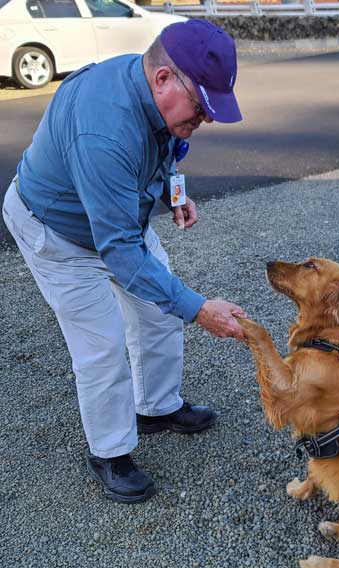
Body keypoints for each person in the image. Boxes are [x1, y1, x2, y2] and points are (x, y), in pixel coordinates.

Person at [2, 19, 247, 504]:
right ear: (163, 80)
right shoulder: (105, 133)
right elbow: (118, 250)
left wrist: (173, 191)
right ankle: (109, 451)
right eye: (202, 106)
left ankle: (156, 408)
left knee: (158, 312)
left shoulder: (152, 95)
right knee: (103, 346)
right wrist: (200, 308)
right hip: (58, 233)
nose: (207, 120)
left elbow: (166, 149)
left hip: (115, 221)